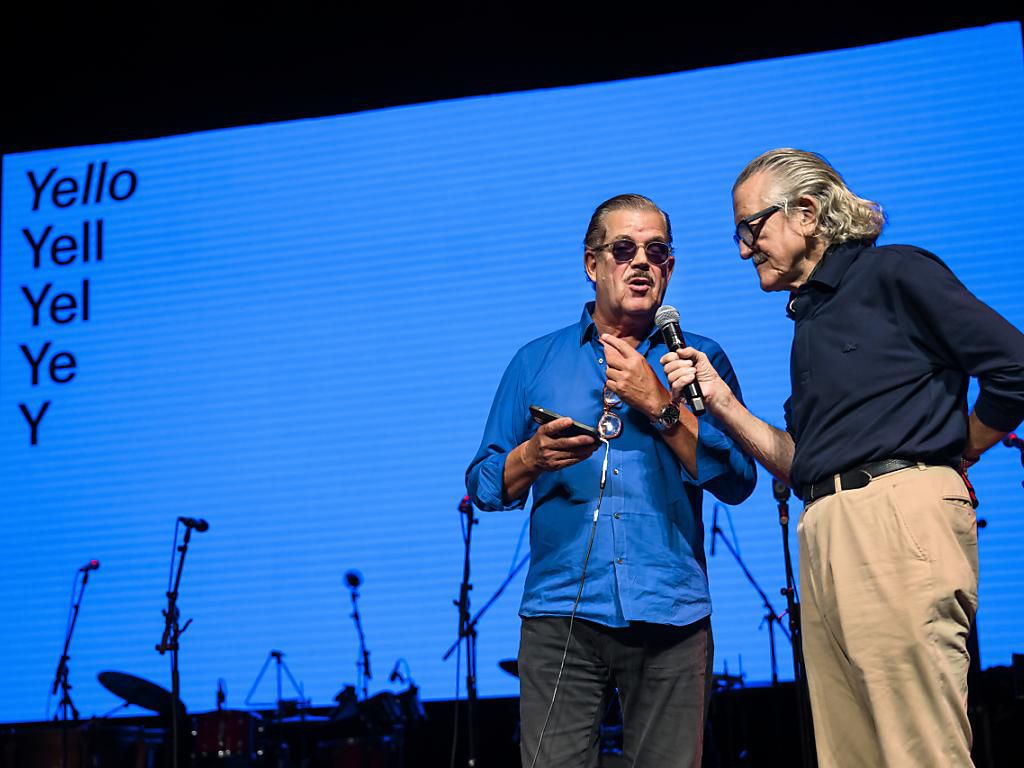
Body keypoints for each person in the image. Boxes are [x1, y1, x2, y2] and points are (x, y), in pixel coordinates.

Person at [661, 149, 1024, 767]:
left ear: (806, 212)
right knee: (849, 755)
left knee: (918, 749)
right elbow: (803, 462)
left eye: (752, 228)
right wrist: (719, 405)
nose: (744, 249)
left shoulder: (894, 274)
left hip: (895, 520)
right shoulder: (811, 321)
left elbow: (1014, 369)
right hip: (826, 526)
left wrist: (961, 446)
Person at [465, 194, 757, 767]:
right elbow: (482, 482)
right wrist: (531, 456)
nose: (641, 262)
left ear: (670, 267)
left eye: (657, 251)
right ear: (591, 262)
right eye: (624, 249)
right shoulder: (536, 361)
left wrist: (660, 405)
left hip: (672, 612)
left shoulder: (700, 359)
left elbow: (738, 480)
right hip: (561, 616)